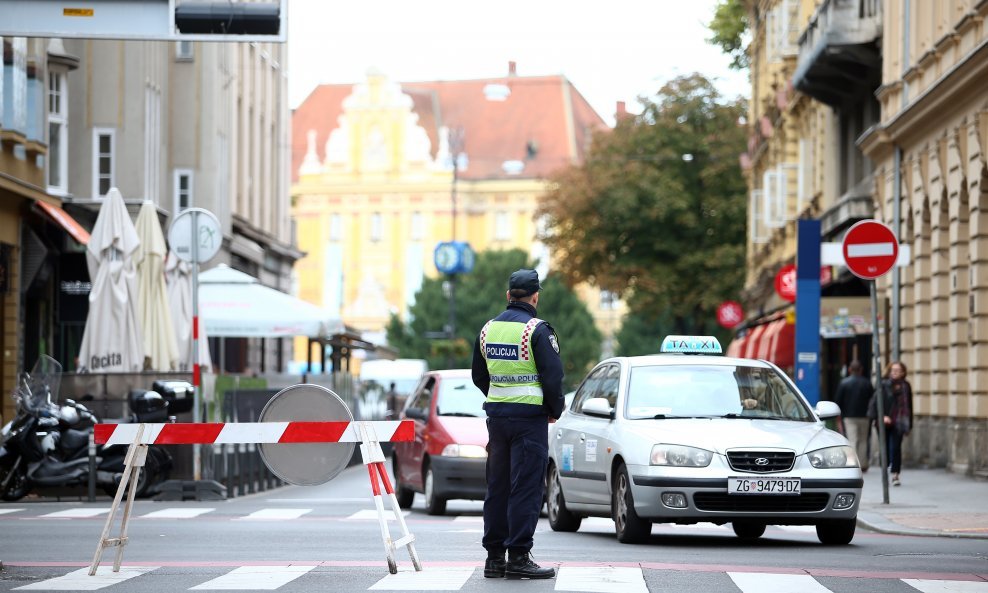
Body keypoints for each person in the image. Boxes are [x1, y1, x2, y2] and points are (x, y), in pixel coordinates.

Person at [472, 268, 565, 580]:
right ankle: (519, 557)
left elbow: (479, 376)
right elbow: (553, 379)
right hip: (529, 422)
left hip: (497, 420)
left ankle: (494, 558)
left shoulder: (487, 330)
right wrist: (554, 410)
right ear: (535, 296)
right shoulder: (537, 331)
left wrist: (500, 398)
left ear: (507, 295)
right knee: (524, 488)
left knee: (497, 487)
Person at [869, 360, 913, 486]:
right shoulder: (882, 384)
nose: (895, 373)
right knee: (885, 448)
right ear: (889, 371)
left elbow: (909, 406)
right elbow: (875, 402)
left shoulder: (906, 386)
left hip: (899, 421)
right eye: (893, 370)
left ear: (903, 372)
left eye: (898, 370)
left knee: (896, 447)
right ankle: (885, 469)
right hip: (884, 420)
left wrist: (909, 424)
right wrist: (881, 416)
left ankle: (895, 474)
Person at [832, 360, 873, 472]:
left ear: (850, 369)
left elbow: (838, 400)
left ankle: (853, 463)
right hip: (864, 416)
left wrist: (838, 415)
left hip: (849, 417)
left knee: (853, 440)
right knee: (864, 439)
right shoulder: (867, 383)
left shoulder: (844, 383)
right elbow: (872, 399)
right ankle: (863, 463)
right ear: (861, 370)